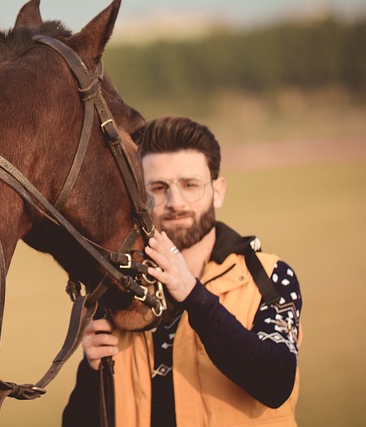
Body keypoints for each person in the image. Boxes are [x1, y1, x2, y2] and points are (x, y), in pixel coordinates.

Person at [63, 116, 303, 426]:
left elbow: (275, 383)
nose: (176, 202)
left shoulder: (269, 276)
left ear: (218, 191)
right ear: (138, 196)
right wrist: (90, 372)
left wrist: (192, 294)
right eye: (158, 188)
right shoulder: (118, 290)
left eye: (190, 185)